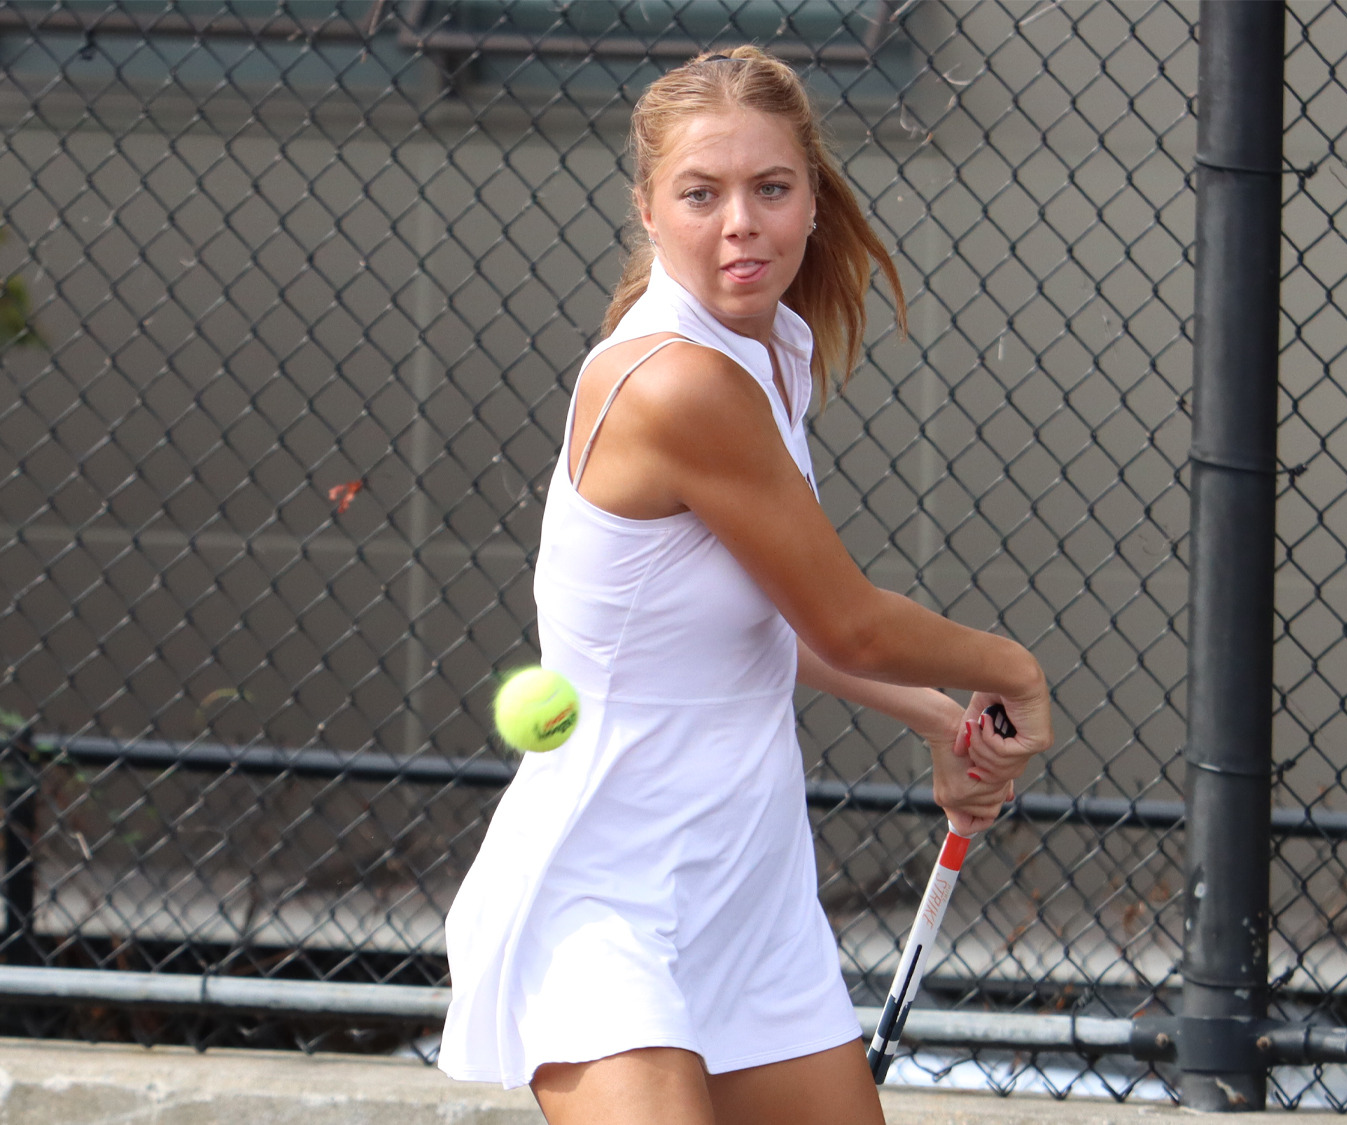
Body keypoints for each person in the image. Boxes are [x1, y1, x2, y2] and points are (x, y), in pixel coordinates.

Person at [438, 46, 1053, 1125]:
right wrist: (1012, 671)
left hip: (747, 877)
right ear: (646, 208)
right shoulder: (679, 381)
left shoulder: (772, 354)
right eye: (700, 193)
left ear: (813, 197)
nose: (740, 223)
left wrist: (938, 720)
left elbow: (759, 620)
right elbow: (850, 625)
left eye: (770, 188)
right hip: (606, 888)